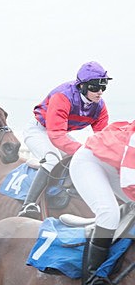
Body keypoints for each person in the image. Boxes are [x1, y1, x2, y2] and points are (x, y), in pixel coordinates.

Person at [19, 62, 110, 219]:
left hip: (61, 132)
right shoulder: (63, 97)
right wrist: (86, 150)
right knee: (52, 160)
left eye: (103, 87)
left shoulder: (100, 106)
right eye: (95, 87)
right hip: (39, 130)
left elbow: (102, 137)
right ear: (82, 86)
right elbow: (56, 136)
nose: (100, 92)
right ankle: (28, 205)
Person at [68, 120, 135, 285]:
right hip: (90, 162)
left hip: (113, 165)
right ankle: (93, 281)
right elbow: (132, 185)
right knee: (109, 214)